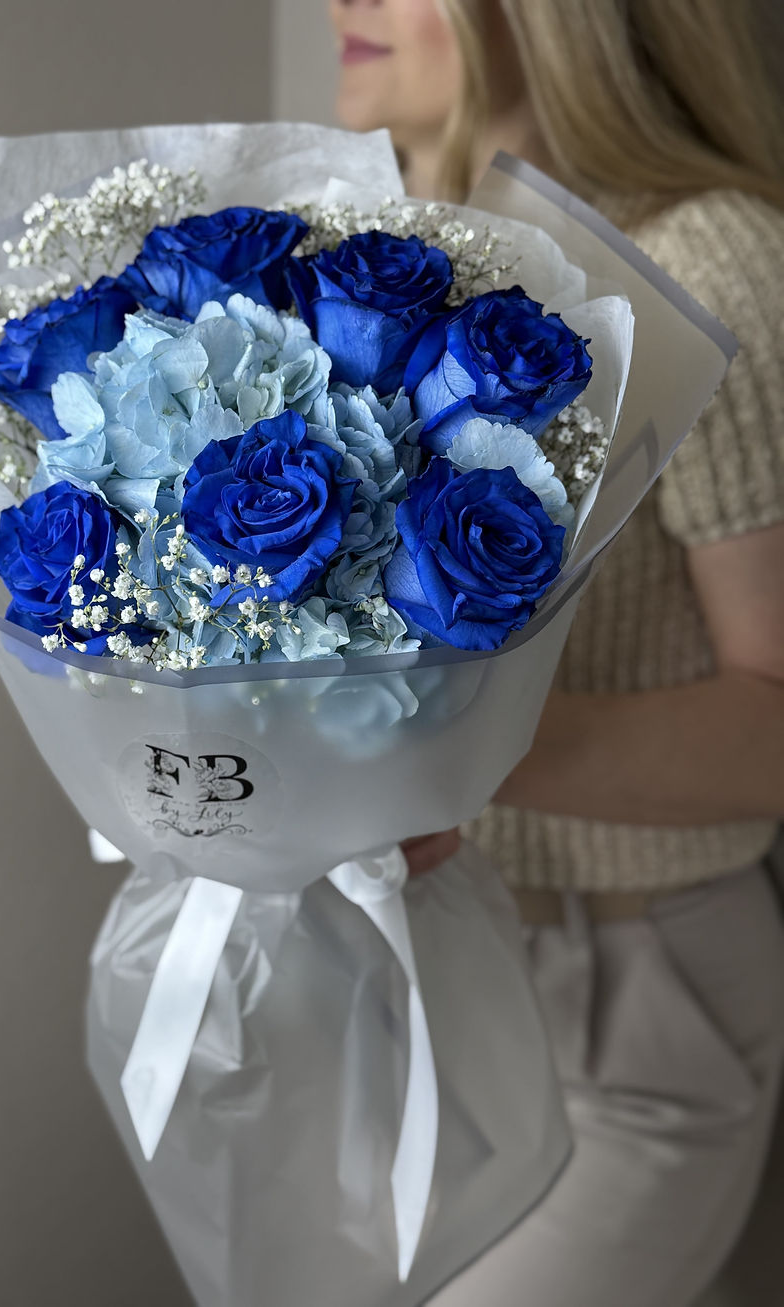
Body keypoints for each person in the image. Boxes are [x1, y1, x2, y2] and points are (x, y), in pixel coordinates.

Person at [329, 2, 784, 1304]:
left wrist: (439, 742)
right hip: (396, 982)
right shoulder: (352, 261)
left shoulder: (716, 262)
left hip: (630, 1001)